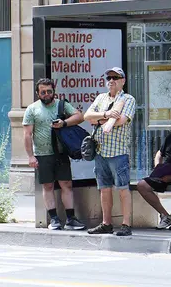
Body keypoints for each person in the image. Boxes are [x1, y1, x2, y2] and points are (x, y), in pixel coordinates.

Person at [22, 78, 86, 230]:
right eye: (43, 92)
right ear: (38, 93)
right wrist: (30, 156)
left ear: (54, 91)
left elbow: (80, 116)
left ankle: (70, 219)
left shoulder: (61, 105)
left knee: (66, 185)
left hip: (61, 153)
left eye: (49, 91)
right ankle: (54, 219)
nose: (46, 94)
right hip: (42, 154)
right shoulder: (32, 109)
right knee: (48, 186)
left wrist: (64, 123)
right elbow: (27, 134)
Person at [83, 67, 137, 237]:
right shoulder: (101, 98)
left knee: (123, 189)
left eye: (115, 77)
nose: (111, 80)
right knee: (104, 188)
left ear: (123, 81)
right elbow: (87, 116)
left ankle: (126, 224)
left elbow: (121, 120)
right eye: (109, 78)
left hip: (118, 152)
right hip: (100, 150)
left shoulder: (128, 99)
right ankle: (106, 223)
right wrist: (107, 114)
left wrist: (98, 119)